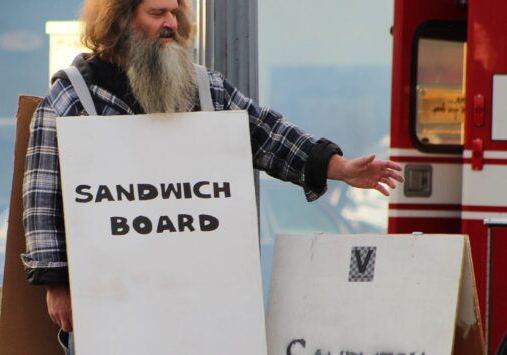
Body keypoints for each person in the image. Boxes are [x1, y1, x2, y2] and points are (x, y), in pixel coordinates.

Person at [21, 0, 403, 351]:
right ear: (120, 20)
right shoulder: (71, 99)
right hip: (111, 300)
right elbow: (42, 201)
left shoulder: (204, 89)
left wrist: (338, 167)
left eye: (174, 12)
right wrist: (57, 285)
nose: (170, 23)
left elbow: (268, 134)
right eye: (157, 13)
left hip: (197, 304)